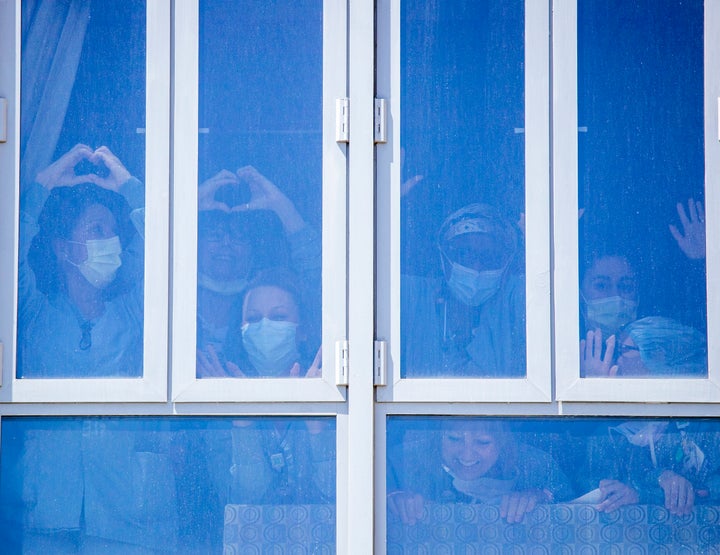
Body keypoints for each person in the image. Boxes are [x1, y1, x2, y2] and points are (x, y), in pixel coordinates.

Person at [18, 143, 144, 378]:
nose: (111, 239)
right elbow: (7, 254)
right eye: (97, 229)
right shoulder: (32, 312)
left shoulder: (134, 313)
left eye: (113, 231)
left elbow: (168, 248)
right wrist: (43, 183)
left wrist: (129, 187)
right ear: (63, 248)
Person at [196, 167, 320, 376]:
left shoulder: (261, 295)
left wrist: (283, 208)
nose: (226, 244)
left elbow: (322, 278)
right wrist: (183, 211)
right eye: (215, 236)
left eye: (238, 237)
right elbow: (153, 262)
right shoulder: (171, 299)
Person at [402, 203, 525, 377]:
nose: (477, 266)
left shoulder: (513, 303)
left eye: (488, 257)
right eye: (465, 254)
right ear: (444, 257)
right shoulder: (414, 297)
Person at [387, 419, 573, 525]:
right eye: (454, 439)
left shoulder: (536, 463)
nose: (467, 454)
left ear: (503, 441)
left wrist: (542, 497)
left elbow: (574, 502)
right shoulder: (404, 460)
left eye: (483, 442)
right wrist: (394, 497)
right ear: (438, 438)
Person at [577, 418, 720, 516]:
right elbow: (586, 488)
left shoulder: (704, 426)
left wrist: (693, 490)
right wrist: (637, 494)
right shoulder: (608, 438)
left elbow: (709, 490)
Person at [197, 268, 321, 378]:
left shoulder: (321, 385)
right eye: (253, 318)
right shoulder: (227, 386)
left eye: (278, 317)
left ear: (304, 328)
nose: (264, 327)